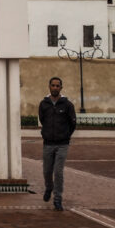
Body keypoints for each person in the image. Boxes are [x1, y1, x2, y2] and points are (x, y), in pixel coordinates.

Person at [39, 77, 77, 211]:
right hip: (48, 143)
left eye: (57, 86)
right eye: (53, 85)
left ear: (61, 88)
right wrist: (48, 133)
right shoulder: (44, 104)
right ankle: (49, 187)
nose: (55, 88)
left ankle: (57, 199)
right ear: (49, 87)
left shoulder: (67, 105)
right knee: (47, 171)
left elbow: (73, 124)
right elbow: (42, 120)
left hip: (62, 144)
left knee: (58, 172)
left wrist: (65, 135)